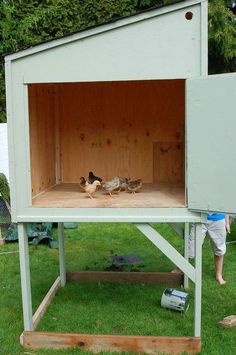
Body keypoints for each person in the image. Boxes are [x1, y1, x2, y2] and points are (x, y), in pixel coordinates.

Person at [172, 213, 230, 285]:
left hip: (219, 219)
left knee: (219, 250)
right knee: (191, 250)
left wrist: (227, 222)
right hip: (199, 217)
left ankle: (218, 275)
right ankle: (178, 269)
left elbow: (227, 203)